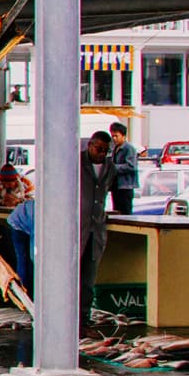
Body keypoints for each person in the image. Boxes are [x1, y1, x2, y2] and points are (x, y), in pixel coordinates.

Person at [80, 131, 117, 329]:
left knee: (88, 280)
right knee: (70, 277)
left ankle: (83, 322)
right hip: (77, 230)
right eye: (99, 149)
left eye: (106, 150)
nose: (102, 154)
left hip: (96, 230)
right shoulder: (77, 162)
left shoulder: (110, 167)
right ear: (90, 145)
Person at [8, 194, 36, 296]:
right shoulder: (39, 215)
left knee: (29, 261)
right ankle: (24, 294)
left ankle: (28, 293)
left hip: (24, 220)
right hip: (17, 225)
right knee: (23, 260)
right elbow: (35, 239)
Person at [109, 122, 139, 215]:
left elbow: (131, 166)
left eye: (116, 136)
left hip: (125, 187)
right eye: (112, 136)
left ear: (123, 136)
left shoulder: (129, 148)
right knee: (117, 211)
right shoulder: (115, 148)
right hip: (116, 186)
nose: (114, 138)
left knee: (125, 212)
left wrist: (114, 168)